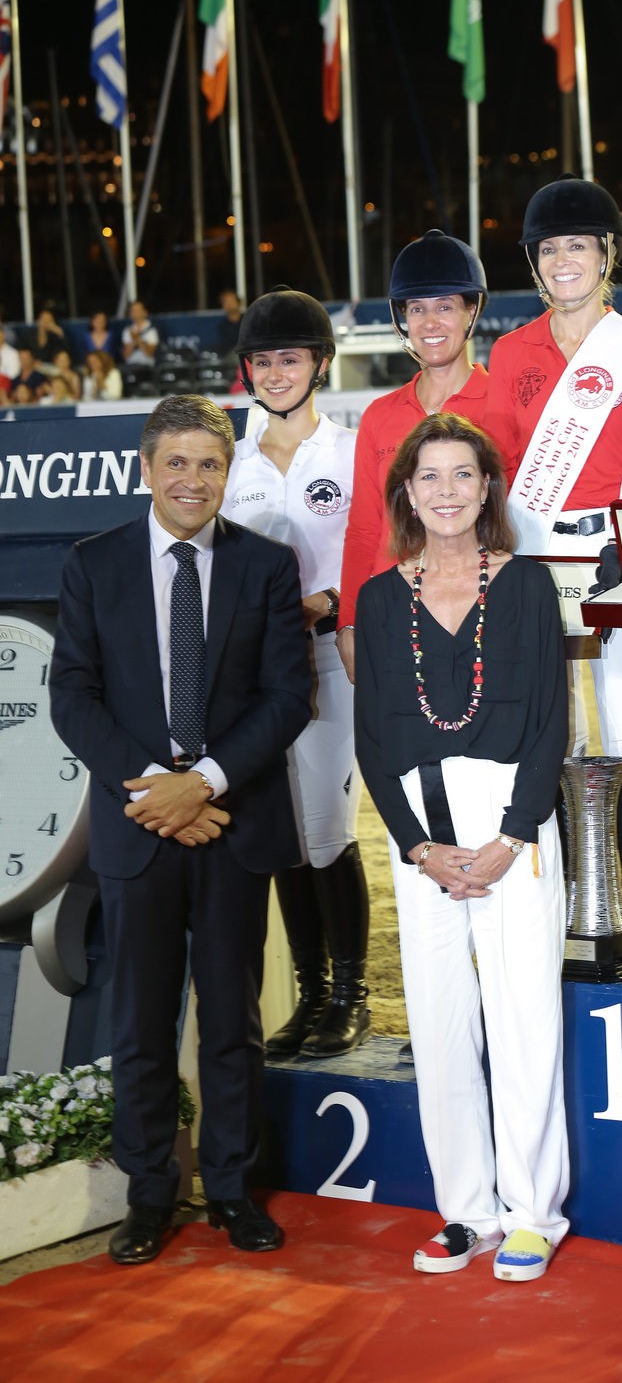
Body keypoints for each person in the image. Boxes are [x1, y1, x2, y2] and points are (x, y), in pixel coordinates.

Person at [49, 394, 312, 1262]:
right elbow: (73, 697)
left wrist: (196, 786)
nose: (193, 479)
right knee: (141, 1022)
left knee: (232, 1021)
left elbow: (287, 699)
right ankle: (149, 1193)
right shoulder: (95, 563)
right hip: (138, 829)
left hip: (232, 822)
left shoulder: (268, 567)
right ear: (146, 467)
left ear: (227, 471)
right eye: (177, 463)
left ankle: (233, 1189)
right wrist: (154, 794)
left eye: (209, 463)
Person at [355, 412, 569, 1281]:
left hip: (509, 823)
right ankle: (467, 1212)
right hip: (422, 837)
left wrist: (514, 832)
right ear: (407, 491)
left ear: (489, 487)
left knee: (524, 1021)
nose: (446, 491)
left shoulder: (522, 586)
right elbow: (372, 739)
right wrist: (415, 848)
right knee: (441, 1025)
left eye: (463, 474)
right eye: (429, 476)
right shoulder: (378, 598)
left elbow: (552, 720)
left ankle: (531, 1214)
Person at [483, 176, 622, 933]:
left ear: (607, 253)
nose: (562, 261)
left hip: (619, 554)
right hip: (539, 554)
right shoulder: (511, 351)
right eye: (549, 249)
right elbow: (502, 464)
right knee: (551, 734)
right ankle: (567, 906)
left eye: (576, 246)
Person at [223, 288, 371, 1057]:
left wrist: (328, 600)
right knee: (282, 830)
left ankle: (350, 992)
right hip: (254, 674)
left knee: (326, 824)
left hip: (329, 655)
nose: (277, 372)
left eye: (291, 357)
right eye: (264, 360)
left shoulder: (350, 451)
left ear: (319, 362)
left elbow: (381, 551)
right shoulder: (233, 464)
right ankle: (312, 993)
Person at [336, 229, 499, 687]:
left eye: (445, 307)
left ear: (472, 311)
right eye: (417, 309)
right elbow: (365, 528)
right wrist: (348, 621)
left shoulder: (504, 404)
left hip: (484, 612)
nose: (430, 323)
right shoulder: (379, 416)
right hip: (394, 612)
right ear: (402, 317)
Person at [122, 299, 160, 369]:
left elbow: (150, 353)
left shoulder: (151, 330)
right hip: (131, 365)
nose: (134, 313)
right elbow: (126, 356)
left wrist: (138, 339)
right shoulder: (127, 330)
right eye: (132, 310)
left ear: (145, 312)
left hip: (146, 366)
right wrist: (133, 342)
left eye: (137, 310)